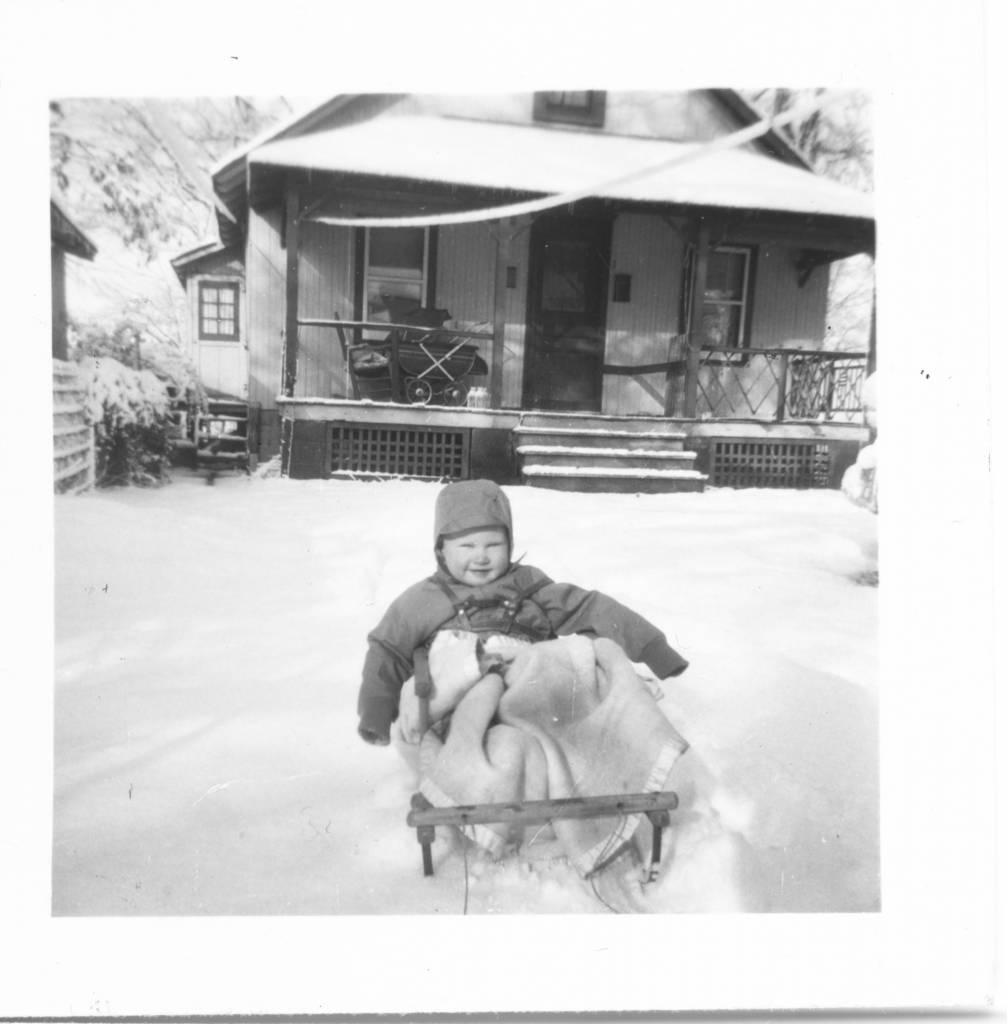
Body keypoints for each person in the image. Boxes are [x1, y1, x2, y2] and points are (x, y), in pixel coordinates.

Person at [356, 479, 689, 746]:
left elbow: (590, 607)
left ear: (510, 544)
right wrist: (376, 711)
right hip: (464, 702)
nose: (481, 557)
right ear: (441, 549)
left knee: (589, 657)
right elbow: (388, 647)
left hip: (533, 691)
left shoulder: (529, 586)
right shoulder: (424, 599)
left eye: (493, 545)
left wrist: (653, 648)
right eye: (466, 546)